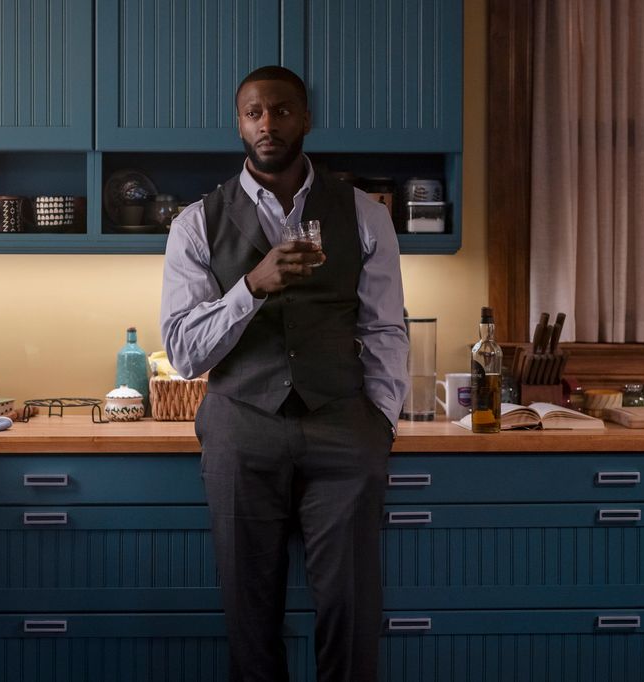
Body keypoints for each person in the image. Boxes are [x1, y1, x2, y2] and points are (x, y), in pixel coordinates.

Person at [160, 65, 409, 682]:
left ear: (306, 117)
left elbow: (384, 327)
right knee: (250, 609)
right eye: (253, 113)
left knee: (352, 607)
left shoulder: (364, 215)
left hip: (344, 426)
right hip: (240, 429)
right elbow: (185, 352)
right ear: (239, 123)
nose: (267, 124)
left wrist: (380, 419)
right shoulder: (195, 222)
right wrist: (251, 285)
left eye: (281, 110)